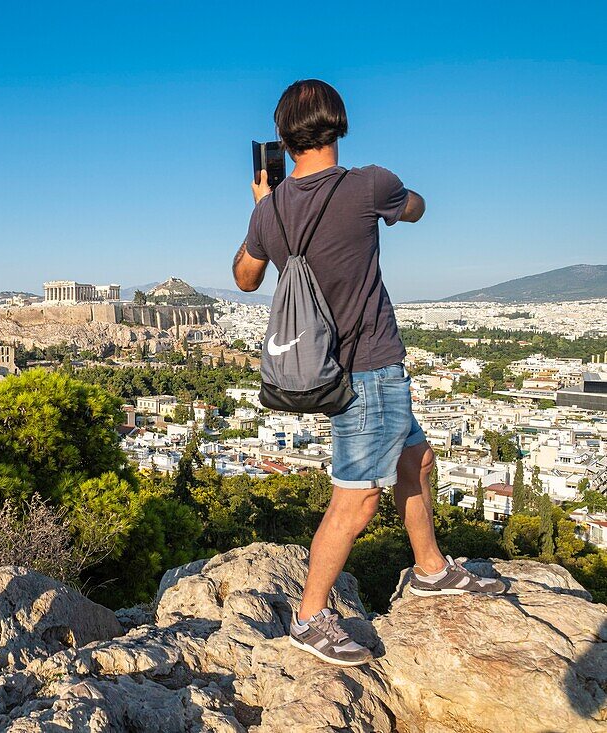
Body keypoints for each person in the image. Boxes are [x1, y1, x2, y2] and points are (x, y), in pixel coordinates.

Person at [232, 80, 504, 667]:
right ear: (340, 125)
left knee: (418, 460)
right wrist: (401, 200)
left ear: (281, 138)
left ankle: (431, 569)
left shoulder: (269, 211)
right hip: (369, 371)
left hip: (327, 368)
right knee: (354, 501)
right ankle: (309, 617)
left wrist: (264, 208)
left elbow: (245, 278)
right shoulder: (370, 185)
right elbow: (416, 208)